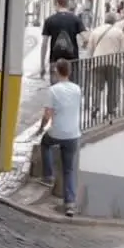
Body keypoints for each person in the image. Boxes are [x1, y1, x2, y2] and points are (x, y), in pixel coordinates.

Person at [38, 58, 83, 217]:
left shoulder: (53, 90)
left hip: (57, 132)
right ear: (69, 72)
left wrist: (42, 127)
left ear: (56, 71)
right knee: (69, 169)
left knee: (45, 143)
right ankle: (70, 204)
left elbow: (47, 114)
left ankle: (48, 176)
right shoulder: (77, 89)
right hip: (73, 134)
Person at [41, 0, 86, 79]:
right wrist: (83, 45)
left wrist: (42, 65)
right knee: (72, 87)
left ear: (56, 3)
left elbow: (44, 44)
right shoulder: (75, 19)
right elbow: (85, 38)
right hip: (73, 61)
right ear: (67, 4)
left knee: (56, 88)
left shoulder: (49, 20)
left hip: (55, 60)